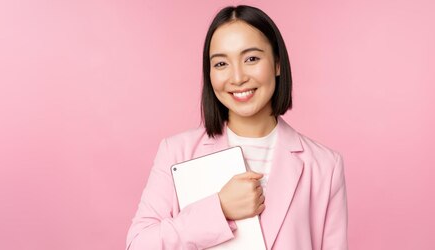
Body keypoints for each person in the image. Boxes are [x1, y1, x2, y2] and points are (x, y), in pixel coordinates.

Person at [126, 5, 348, 250]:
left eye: (251, 59)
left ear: (277, 63)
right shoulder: (176, 152)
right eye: (221, 64)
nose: (238, 77)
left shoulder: (325, 166)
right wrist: (219, 209)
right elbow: (139, 244)